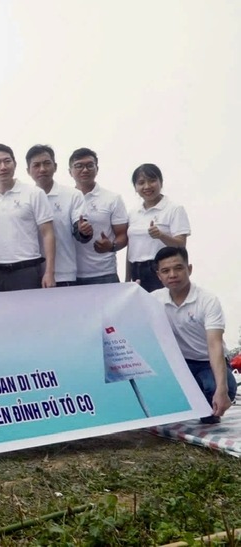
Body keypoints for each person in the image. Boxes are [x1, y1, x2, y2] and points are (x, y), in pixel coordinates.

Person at [152, 246, 236, 424]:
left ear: (189, 269)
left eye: (178, 268)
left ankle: (208, 399)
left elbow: (215, 346)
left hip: (208, 362)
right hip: (179, 364)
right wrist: (131, 291)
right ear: (159, 275)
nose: (172, 274)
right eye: (166, 271)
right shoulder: (153, 299)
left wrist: (221, 389)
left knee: (213, 396)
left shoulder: (207, 300)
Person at [0, 144, 56, 291]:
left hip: (27, 270)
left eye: (7, 161)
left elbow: (48, 233)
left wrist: (49, 272)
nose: (3, 167)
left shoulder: (34, 193)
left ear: (15, 164)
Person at [26, 145, 93, 286]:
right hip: (30, 274)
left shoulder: (72, 195)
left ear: (55, 166)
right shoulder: (24, 198)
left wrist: (83, 230)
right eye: (36, 165)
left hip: (63, 274)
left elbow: (79, 228)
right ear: (28, 171)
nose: (42, 169)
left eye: (46, 163)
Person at [68, 148, 129, 284]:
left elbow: (123, 235)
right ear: (70, 171)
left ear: (97, 168)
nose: (85, 170)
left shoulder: (112, 198)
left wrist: (111, 246)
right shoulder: (65, 199)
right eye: (79, 166)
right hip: (71, 274)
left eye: (90, 165)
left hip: (104, 273)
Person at [126, 164, 190, 292]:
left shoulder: (174, 209)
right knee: (140, 311)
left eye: (152, 180)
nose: (147, 186)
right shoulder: (133, 212)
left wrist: (161, 235)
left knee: (160, 310)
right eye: (141, 183)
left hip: (160, 271)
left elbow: (181, 244)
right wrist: (127, 278)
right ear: (135, 187)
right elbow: (131, 247)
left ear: (161, 182)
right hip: (136, 270)